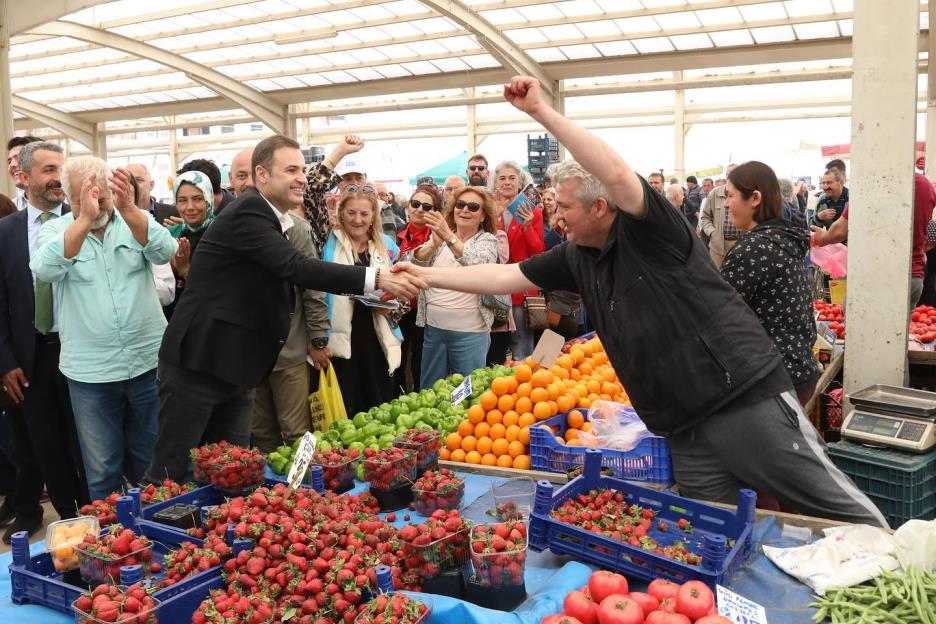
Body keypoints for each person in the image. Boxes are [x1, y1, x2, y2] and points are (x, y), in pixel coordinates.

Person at [393, 75, 888, 528]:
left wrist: (542, 113)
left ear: (601, 206)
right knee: (707, 529)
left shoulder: (651, 229)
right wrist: (428, 276)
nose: (556, 216)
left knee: (834, 504)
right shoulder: (576, 255)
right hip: (682, 426)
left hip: (742, 399)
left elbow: (610, 167)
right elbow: (505, 274)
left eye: (564, 207)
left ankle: (902, 563)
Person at [145, 136, 423, 483]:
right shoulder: (249, 212)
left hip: (236, 366)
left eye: (302, 171)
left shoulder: (275, 218)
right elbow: (298, 268)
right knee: (172, 471)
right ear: (262, 175)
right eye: (290, 170)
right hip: (200, 364)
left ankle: (221, 530)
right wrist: (376, 277)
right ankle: (152, 532)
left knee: (232, 470)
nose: (302, 178)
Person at [30, 157, 177, 499]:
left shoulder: (134, 221)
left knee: (154, 464)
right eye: (85, 197)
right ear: (69, 198)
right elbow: (45, 269)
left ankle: (157, 540)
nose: (97, 204)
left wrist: (130, 210)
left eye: (102, 194)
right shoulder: (57, 229)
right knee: (102, 470)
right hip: (91, 376)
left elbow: (165, 250)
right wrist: (82, 220)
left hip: (146, 364)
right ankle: (113, 545)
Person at [0, 142, 89, 542]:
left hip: (81, 352)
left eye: (61, 169)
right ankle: (70, 521)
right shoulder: (6, 232)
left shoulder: (86, 221)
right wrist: (5, 361)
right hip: (30, 357)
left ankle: (97, 514)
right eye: (48, 169)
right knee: (45, 446)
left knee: (86, 443)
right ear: (25, 176)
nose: (57, 178)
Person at [720, 162, 822, 405]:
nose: (725, 204)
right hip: (799, 371)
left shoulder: (753, 249)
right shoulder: (784, 238)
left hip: (772, 381)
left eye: (730, 196)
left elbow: (718, 316)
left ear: (754, 198)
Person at [251, 210, 329, 453]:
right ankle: (270, 489)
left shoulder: (295, 228)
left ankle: (304, 489)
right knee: (260, 431)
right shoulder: (235, 226)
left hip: (289, 348)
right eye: (239, 177)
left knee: (295, 432)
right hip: (249, 351)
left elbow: (313, 285)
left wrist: (318, 338)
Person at [322, 186, 402, 414]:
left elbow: (403, 293)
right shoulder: (328, 242)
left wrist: (392, 306)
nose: (358, 220)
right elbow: (315, 292)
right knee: (346, 405)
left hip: (377, 336)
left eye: (364, 214)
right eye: (351, 213)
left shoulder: (387, 246)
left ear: (373, 217)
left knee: (378, 402)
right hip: (340, 339)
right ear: (341, 214)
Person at [413, 186, 499, 388]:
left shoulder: (487, 240)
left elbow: (478, 265)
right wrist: (433, 244)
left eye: (473, 206)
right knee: (429, 391)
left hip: (470, 332)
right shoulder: (441, 240)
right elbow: (415, 265)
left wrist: (448, 236)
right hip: (434, 329)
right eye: (460, 204)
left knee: (468, 392)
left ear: (483, 216)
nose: (465, 210)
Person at [812, 172, 936, 306]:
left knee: (856, 322)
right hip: (914, 275)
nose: (825, 186)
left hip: (877, 276)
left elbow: (840, 230)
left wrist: (823, 238)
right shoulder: (925, 184)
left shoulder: (874, 184)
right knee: (901, 326)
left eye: (829, 182)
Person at [490, 160, 545, 361]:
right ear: (495, 183)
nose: (507, 182)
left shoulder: (535, 212)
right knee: (495, 351)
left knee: (522, 350)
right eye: (502, 178)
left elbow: (538, 252)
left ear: (520, 182)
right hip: (493, 289)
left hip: (520, 290)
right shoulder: (487, 211)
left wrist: (527, 226)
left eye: (512, 178)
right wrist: (493, 217)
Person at [394, 185, 438, 392]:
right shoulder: (395, 234)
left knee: (421, 360)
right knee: (397, 358)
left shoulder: (438, 239)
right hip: (398, 309)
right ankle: (397, 397)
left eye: (427, 206)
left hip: (425, 310)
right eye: (415, 204)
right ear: (408, 207)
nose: (420, 209)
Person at [162, 171, 216, 319]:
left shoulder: (221, 233)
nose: (189, 207)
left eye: (197, 199)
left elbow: (219, 289)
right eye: (182, 200)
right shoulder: (170, 234)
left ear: (209, 198)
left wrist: (185, 269)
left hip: (206, 319)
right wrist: (170, 268)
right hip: (174, 317)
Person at [303, 135, 365, 253]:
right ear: (337, 182)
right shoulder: (326, 221)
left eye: (359, 177)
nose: (354, 184)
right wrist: (340, 151)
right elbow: (310, 188)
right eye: (347, 178)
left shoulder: (380, 210)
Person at [700, 164, 741, 268]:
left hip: (740, 243)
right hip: (718, 245)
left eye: (733, 174)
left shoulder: (745, 193)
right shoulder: (714, 193)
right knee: (717, 276)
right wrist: (712, 232)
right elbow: (705, 217)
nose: (730, 176)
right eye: (728, 174)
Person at [7, 136, 40, 212]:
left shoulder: (69, 202)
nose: (12, 165)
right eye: (9, 161)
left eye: (19, 158)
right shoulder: (10, 208)